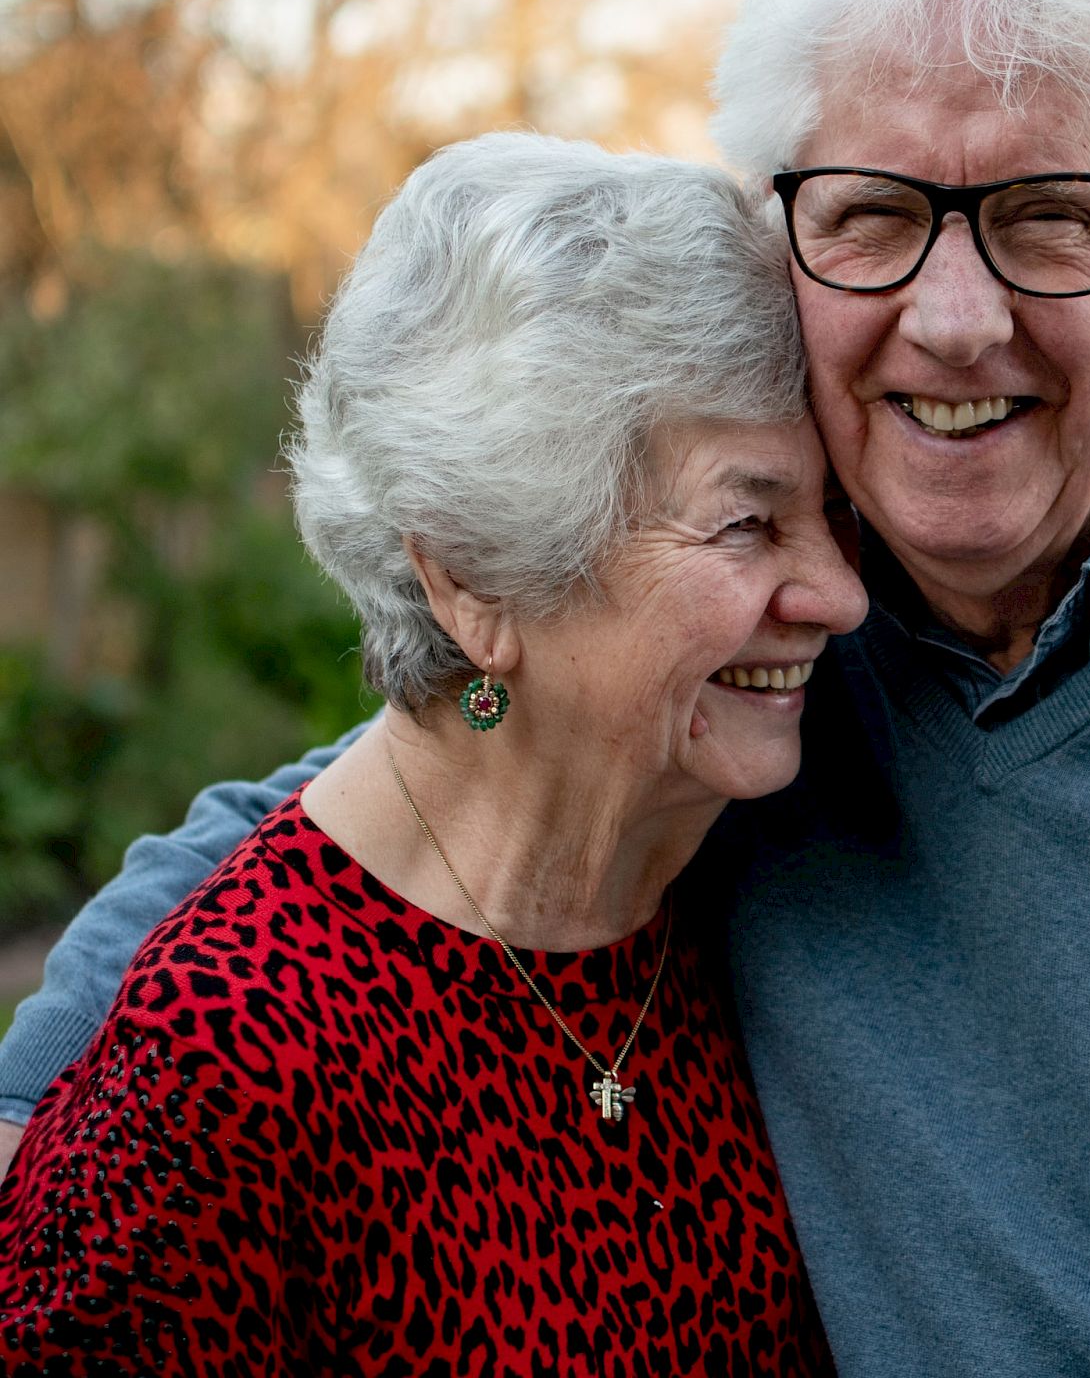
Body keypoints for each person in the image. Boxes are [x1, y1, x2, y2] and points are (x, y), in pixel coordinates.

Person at [4, 0, 1090, 1375]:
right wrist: (52, 1120)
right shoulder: (788, 644)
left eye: (1053, 217)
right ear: (796, 236)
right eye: (875, 214)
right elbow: (415, 777)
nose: (957, 316)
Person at [0, 132, 865, 1373]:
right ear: (470, 578)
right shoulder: (223, 1069)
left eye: (831, 513)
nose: (839, 595)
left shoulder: (724, 887)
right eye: (747, 523)